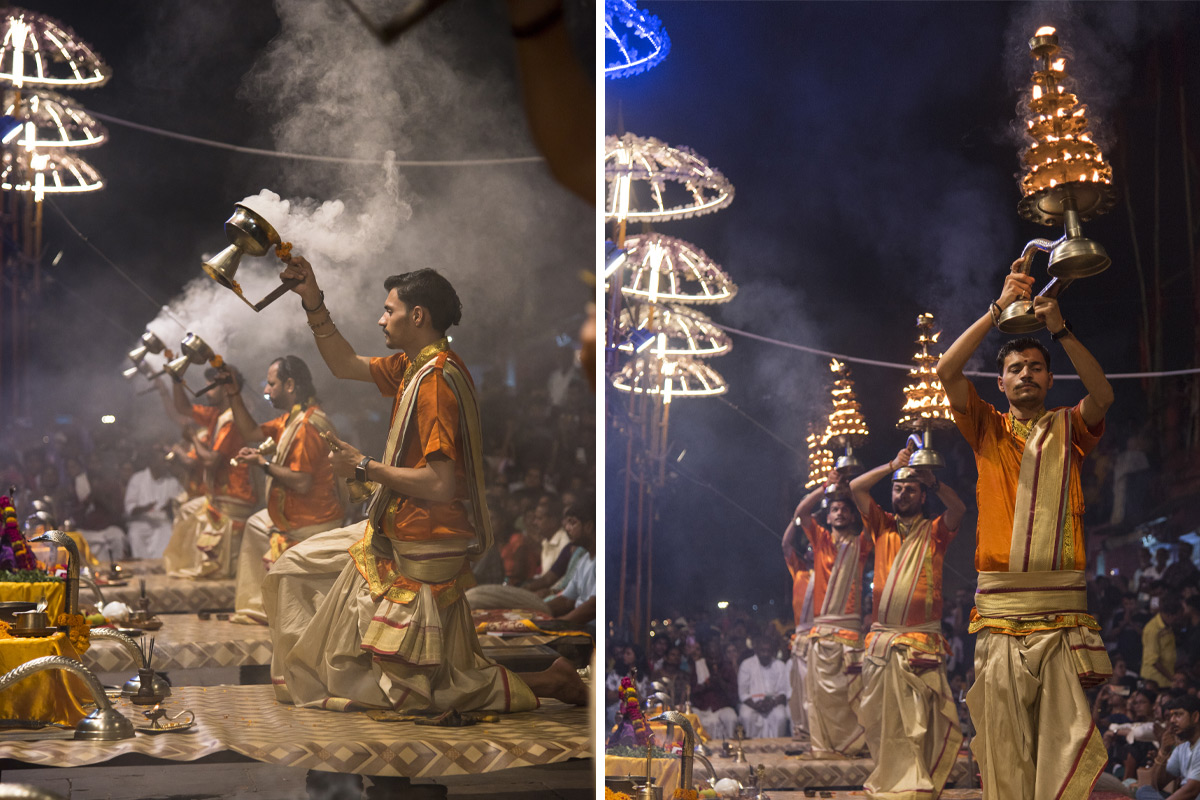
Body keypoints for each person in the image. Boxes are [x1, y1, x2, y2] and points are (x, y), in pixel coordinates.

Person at [262, 260, 585, 712]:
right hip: (400, 529)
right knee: (297, 575)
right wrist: (312, 299)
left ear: (418, 316)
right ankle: (551, 679)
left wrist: (364, 466)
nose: (380, 319)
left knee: (425, 688)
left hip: (423, 541)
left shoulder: (434, 381)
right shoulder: (414, 367)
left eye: (388, 310)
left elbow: (438, 484)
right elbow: (343, 364)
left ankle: (550, 682)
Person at [936, 264, 1114, 799]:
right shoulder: (986, 427)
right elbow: (946, 371)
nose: (1026, 375)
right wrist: (997, 310)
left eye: (1036, 367)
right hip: (1000, 618)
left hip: (1060, 618)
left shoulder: (1069, 428)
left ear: (1049, 378)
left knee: (1061, 744)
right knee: (1005, 745)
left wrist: (1060, 328)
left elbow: (1103, 396)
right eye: (1016, 368)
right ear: (1002, 381)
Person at [849, 444, 966, 799]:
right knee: (888, 721)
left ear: (921, 494)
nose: (902, 493)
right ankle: (892, 779)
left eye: (910, 488)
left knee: (919, 723)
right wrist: (892, 465)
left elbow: (959, 508)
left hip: (920, 643)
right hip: (884, 644)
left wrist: (935, 482)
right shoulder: (881, 525)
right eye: (898, 488)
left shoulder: (935, 532)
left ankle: (919, 780)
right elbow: (856, 487)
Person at [224, 356, 345, 624]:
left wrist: (263, 463)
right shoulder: (292, 420)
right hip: (295, 517)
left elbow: (301, 482)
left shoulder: (305, 426)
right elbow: (251, 431)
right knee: (256, 524)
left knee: (256, 524)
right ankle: (258, 605)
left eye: (271, 384)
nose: (266, 390)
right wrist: (234, 394)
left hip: (312, 523)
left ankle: (263, 607)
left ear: (289, 385)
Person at [793, 471, 872, 756]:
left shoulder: (861, 544)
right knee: (821, 699)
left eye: (845, 510)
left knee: (853, 695)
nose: (839, 513)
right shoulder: (820, 540)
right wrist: (825, 487)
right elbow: (801, 512)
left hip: (850, 635)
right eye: (834, 509)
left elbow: (872, 517)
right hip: (822, 633)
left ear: (852, 516)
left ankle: (855, 746)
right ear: (827, 516)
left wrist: (851, 491)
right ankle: (825, 748)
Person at [161, 367, 260, 579]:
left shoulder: (232, 419)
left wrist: (193, 438)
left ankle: (201, 570)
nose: (206, 391)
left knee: (188, 513)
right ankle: (189, 568)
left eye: (211, 387)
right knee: (185, 509)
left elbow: (210, 462)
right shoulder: (217, 414)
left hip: (234, 496)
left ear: (226, 390)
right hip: (218, 495)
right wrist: (176, 379)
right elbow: (183, 407)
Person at [781, 494, 816, 738]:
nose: (813, 551)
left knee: (818, 687)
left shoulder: (831, 572)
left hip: (824, 635)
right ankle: (803, 729)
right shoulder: (800, 571)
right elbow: (786, 545)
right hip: (802, 636)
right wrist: (796, 521)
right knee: (800, 687)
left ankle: (819, 731)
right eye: (810, 548)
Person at [123, 444, 183, 559]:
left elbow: (181, 500)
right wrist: (146, 508)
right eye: (161, 461)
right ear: (152, 462)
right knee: (135, 534)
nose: (165, 465)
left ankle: (160, 567)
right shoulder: (137, 478)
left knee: (168, 532)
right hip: (141, 521)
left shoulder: (172, 481)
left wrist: (171, 506)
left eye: (165, 462)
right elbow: (129, 508)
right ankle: (140, 566)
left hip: (162, 521)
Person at [1140, 694, 1200, 800]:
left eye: (1178, 715)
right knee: (1144, 790)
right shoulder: (1183, 747)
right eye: (1171, 716)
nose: (1172, 720)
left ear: (1195, 717)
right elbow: (1157, 785)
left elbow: (1192, 790)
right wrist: (1163, 752)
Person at [737, 636, 790, 739]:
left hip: (774, 703)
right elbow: (743, 693)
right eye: (762, 651)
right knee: (746, 715)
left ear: (773, 651)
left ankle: (777, 747)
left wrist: (772, 703)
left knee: (780, 716)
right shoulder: (746, 664)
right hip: (752, 703)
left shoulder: (779, 665)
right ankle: (751, 747)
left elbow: (783, 692)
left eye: (768, 651)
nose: (765, 654)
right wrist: (756, 705)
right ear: (756, 650)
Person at [1144, 598, 1184, 688]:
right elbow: (1153, 660)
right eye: (1177, 618)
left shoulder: (1167, 626)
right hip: (1155, 680)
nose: (1178, 621)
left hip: (1167, 677)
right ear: (1170, 615)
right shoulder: (1152, 630)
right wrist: (1172, 678)